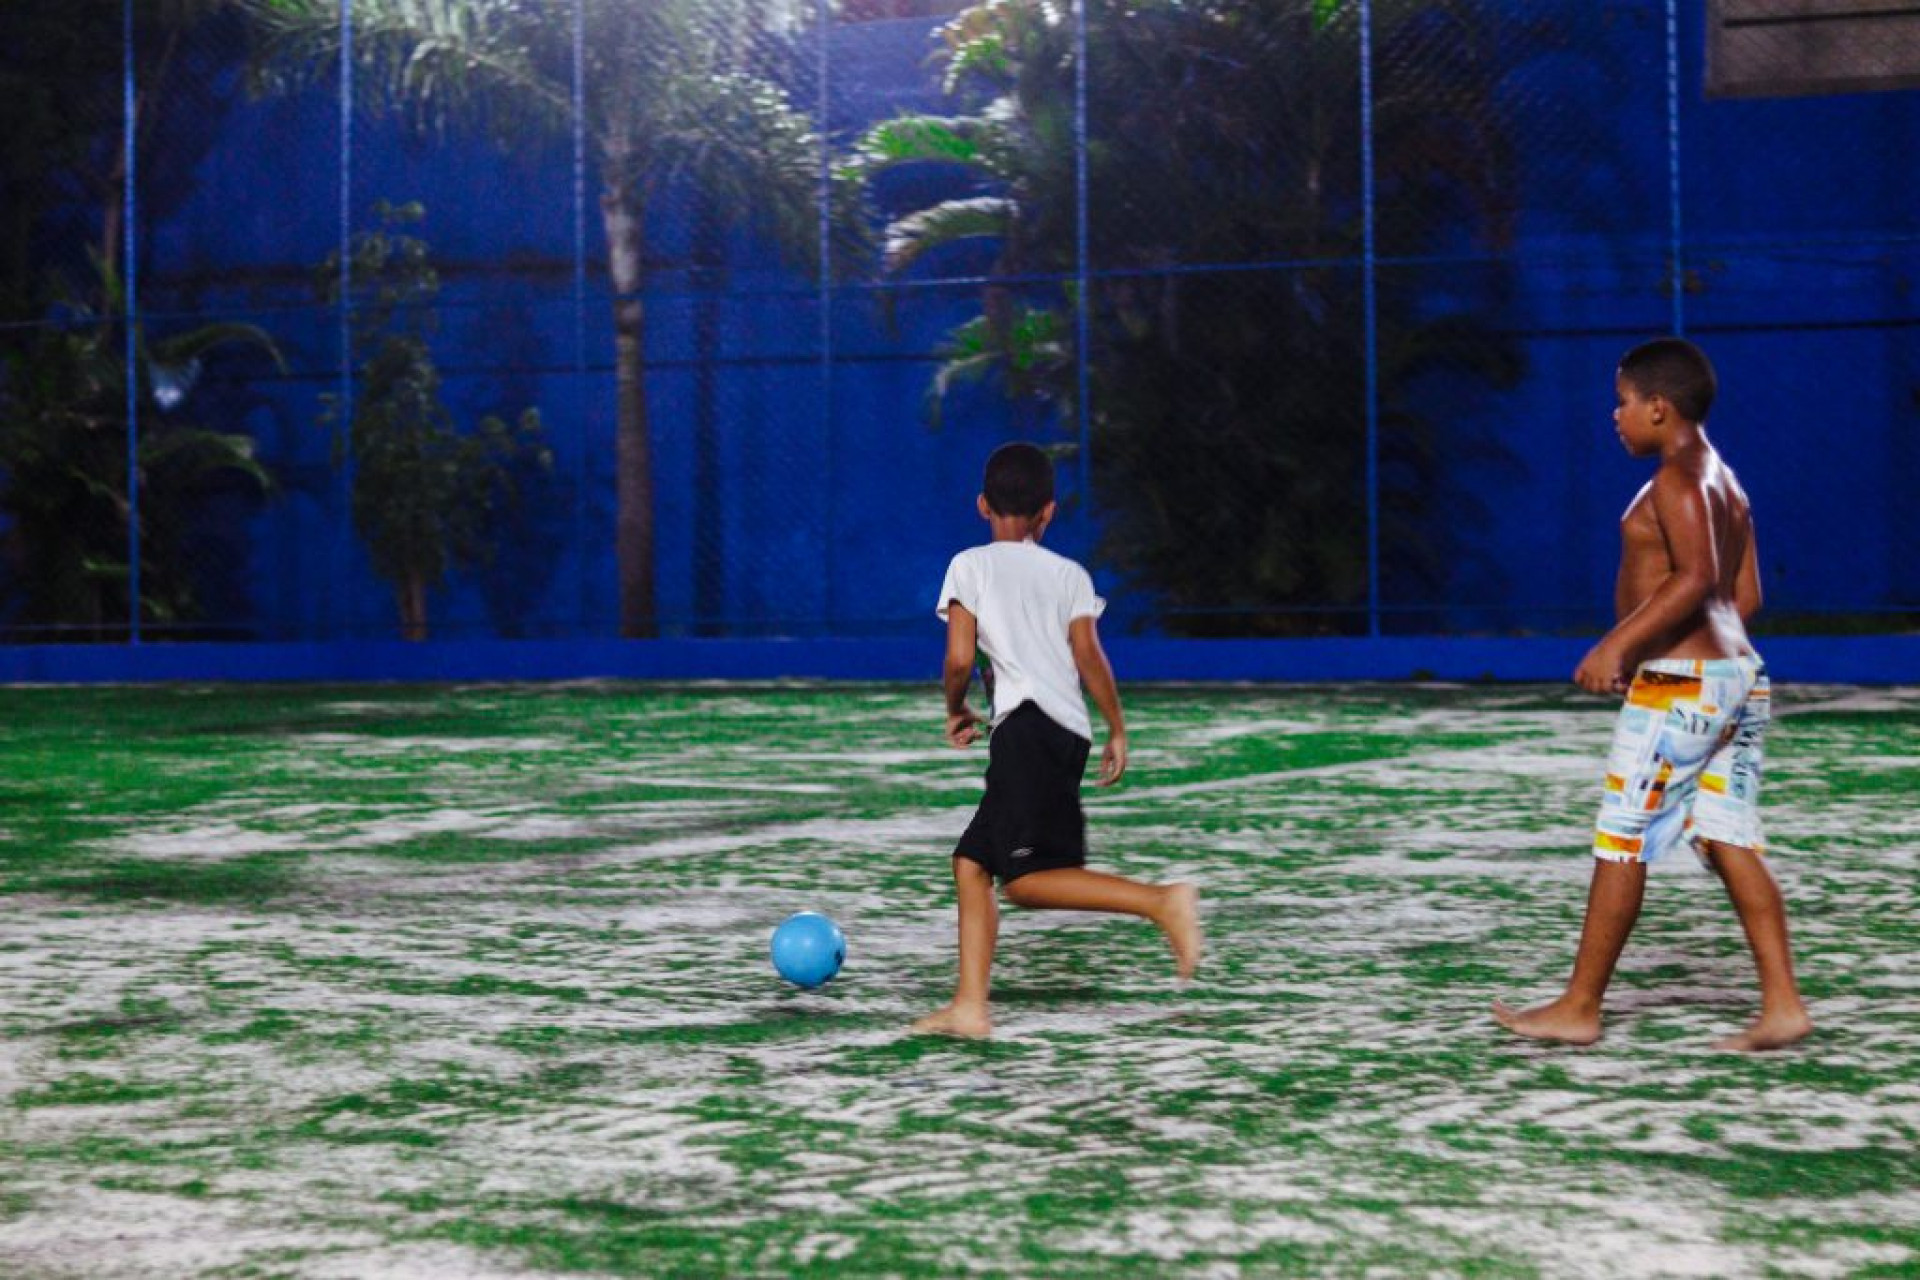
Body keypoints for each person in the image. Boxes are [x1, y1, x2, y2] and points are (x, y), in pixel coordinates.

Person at [1494, 337, 1812, 1052]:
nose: (1616, 415)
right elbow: (1745, 596)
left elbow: (1695, 578)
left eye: (1624, 402)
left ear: (1659, 407)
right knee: (1727, 836)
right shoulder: (1725, 483)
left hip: (1683, 688)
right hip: (1735, 678)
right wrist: (1705, 665)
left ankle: (1580, 1006)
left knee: (1622, 838)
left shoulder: (1676, 479)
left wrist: (1621, 646)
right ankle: (1783, 1005)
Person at [912, 442, 1202, 1039]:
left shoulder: (970, 565)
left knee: (1026, 881)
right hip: (1064, 733)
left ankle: (1161, 901)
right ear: (1048, 512)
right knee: (971, 864)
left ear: (982, 505)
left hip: (1025, 731)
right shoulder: (1070, 574)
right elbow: (1089, 656)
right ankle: (969, 1007)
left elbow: (960, 657)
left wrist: (954, 708)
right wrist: (1117, 727)